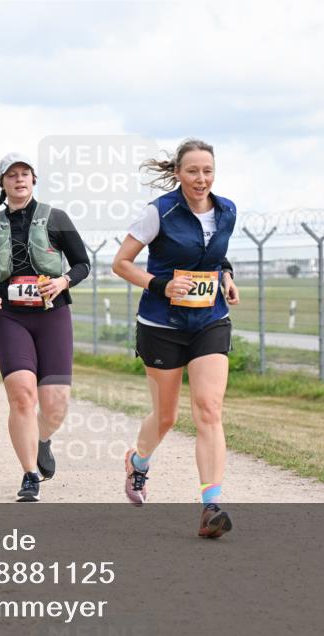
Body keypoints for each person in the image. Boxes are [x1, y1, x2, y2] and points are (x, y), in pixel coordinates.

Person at [111, 138, 240, 539]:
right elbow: (122, 263)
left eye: (207, 171)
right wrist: (160, 285)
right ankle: (139, 462)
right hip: (162, 326)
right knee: (166, 417)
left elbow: (213, 257)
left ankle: (211, 506)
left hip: (209, 321)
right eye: (193, 171)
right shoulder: (159, 211)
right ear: (178, 173)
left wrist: (226, 277)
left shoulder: (227, 210)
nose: (201, 179)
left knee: (208, 409)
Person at [0, 153, 91, 502]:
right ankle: (29, 475)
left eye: (25, 174)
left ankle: (41, 440)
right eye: (11, 175)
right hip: (11, 317)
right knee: (22, 395)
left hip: (52, 315)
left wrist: (64, 281)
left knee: (55, 405)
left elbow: (83, 264)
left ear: (34, 180)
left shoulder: (57, 218)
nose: (19, 180)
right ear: (2, 183)